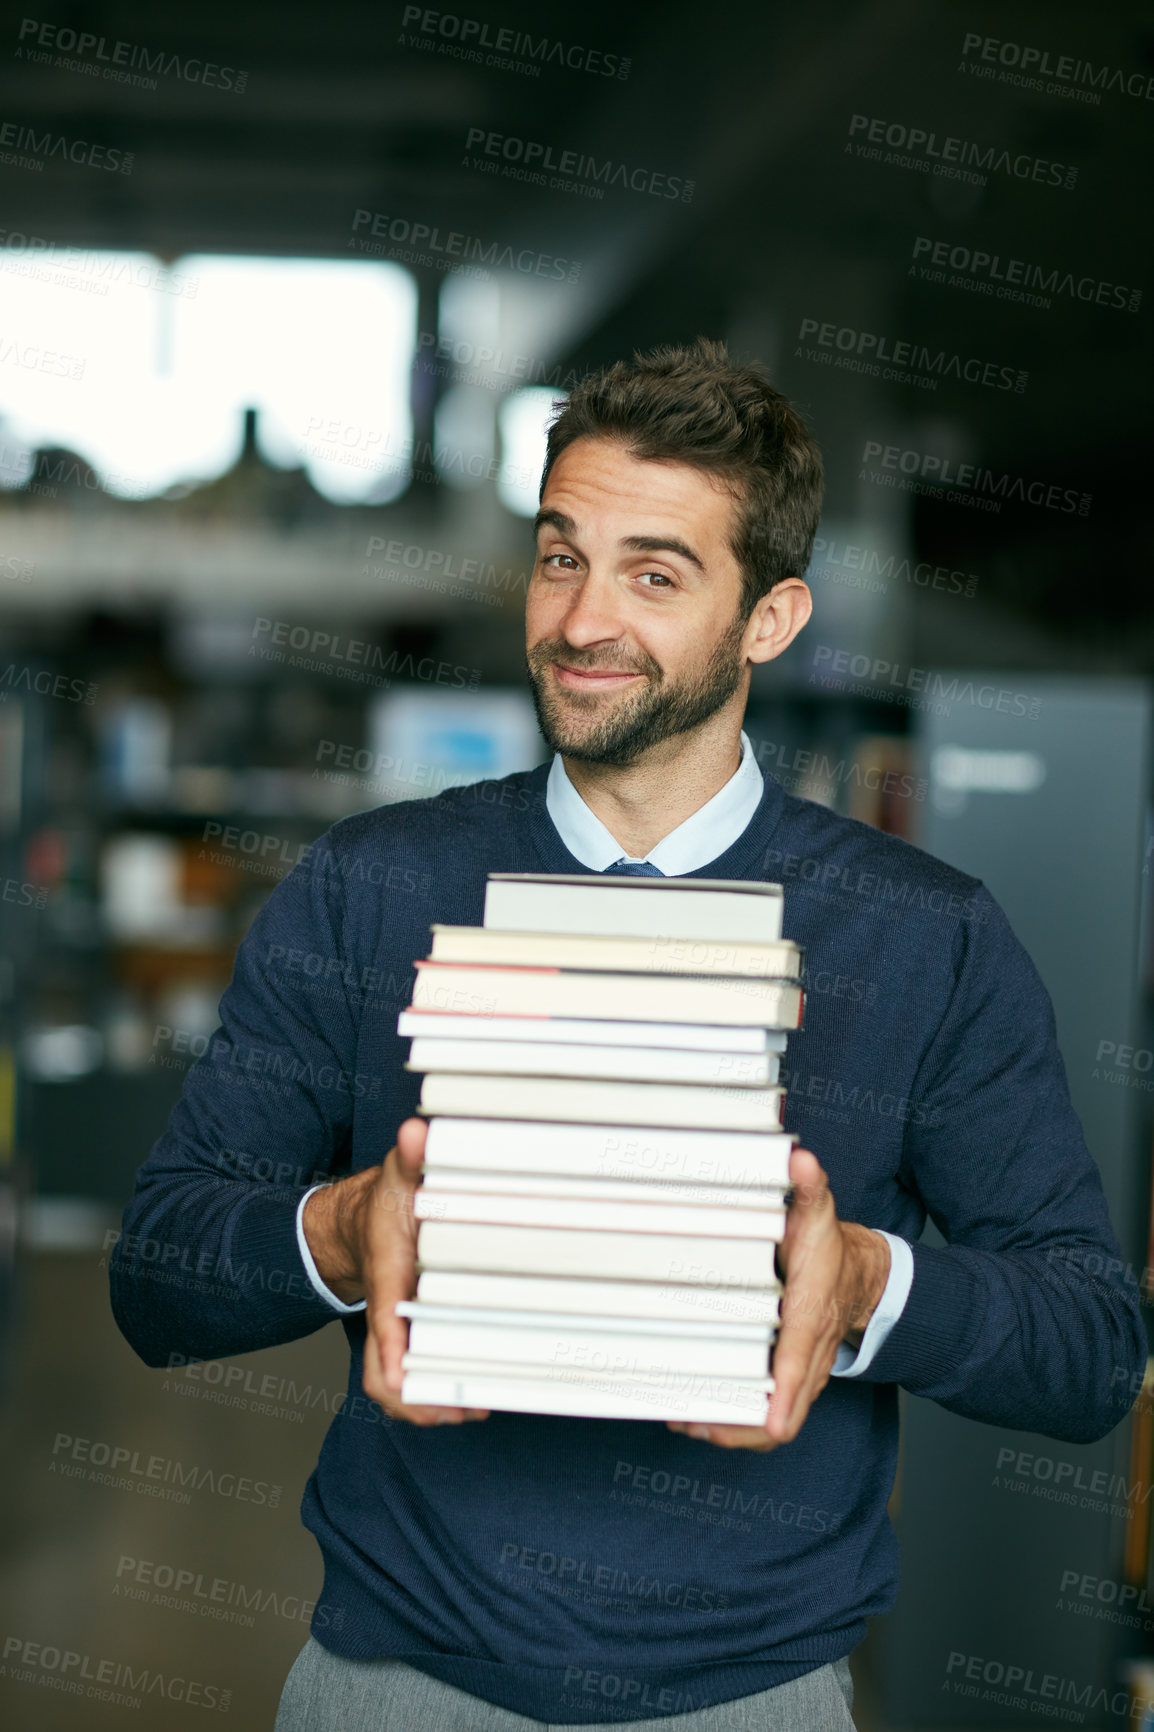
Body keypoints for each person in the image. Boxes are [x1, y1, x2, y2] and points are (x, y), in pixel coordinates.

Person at [110, 339, 1145, 1732]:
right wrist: (342, 1233)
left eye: (654, 574)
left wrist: (864, 1288)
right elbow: (156, 1280)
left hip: (752, 1697)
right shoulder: (370, 886)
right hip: (390, 1684)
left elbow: (1087, 1348)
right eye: (559, 557)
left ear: (770, 620)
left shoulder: (924, 933)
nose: (582, 619)